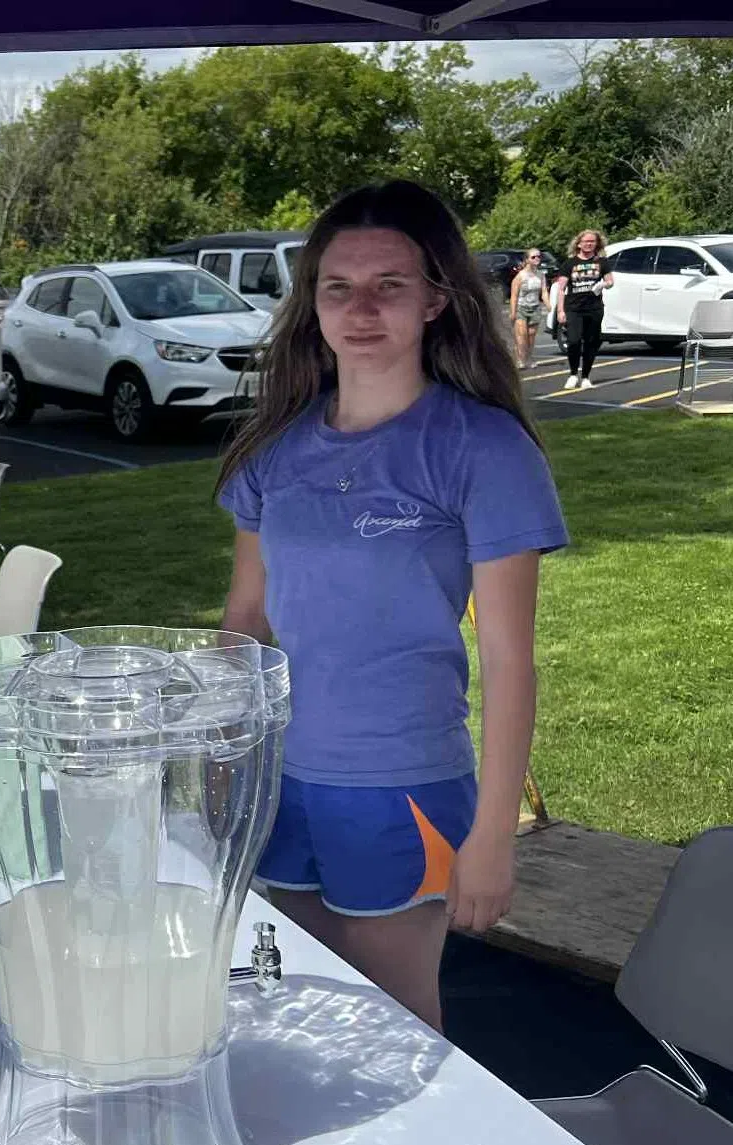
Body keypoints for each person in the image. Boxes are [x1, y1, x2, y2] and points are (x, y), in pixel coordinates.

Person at [216, 180, 568, 1031]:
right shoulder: (275, 450)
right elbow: (243, 627)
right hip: (280, 785)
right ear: (313, 303)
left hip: (401, 788)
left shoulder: (481, 449)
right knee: (281, 1003)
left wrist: (493, 834)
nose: (361, 308)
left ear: (438, 300)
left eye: (390, 286)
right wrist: (219, 760)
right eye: (338, 287)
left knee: (394, 1026)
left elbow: (510, 661)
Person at [554, 229, 613, 390]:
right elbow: (561, 288)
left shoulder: (602, 262)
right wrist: (560, 310)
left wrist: (602, 284)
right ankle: (573, 374)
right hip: (574, 308)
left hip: (594, 308)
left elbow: (610, 281)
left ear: (597, 244)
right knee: (573, 341)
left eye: (592, 242)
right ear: (579, 243)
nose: (589, 244)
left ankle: (586, 376)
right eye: (586, 241)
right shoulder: (570, 264)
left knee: (591, 342)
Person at [508, 249, 548, 369]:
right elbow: (514, 296)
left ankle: (528, 357)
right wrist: (513, 312)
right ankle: (520, 359)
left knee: (531, 335)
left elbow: (544, 291)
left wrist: (548, 304)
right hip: (521, 307)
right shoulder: (520, 276)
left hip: (535, 307)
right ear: (527, 260)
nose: (537, 259)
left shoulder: (540, 275)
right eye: (533, 257)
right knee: (522, 334)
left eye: (538, 257)